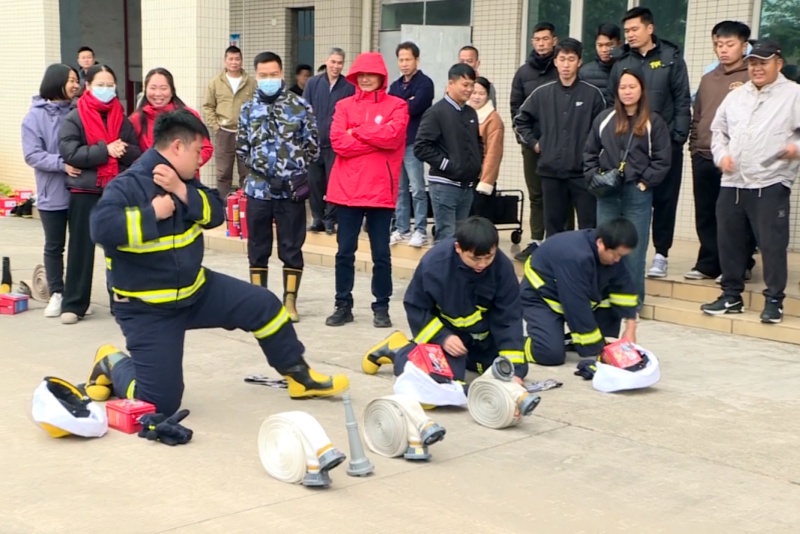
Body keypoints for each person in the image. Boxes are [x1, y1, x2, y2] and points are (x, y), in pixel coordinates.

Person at [85, 110, 349, 418]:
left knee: (263, 304)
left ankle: (298, 376)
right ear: (178, 147)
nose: (200, 159)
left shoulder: (183, 180)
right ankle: (111, 362)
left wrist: (182, 192)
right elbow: (100, 229)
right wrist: (152, 214)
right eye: (198, 151)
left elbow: (215, 212)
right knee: (159, 404)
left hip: (195, 292)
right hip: (147, 309)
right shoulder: (128, 185)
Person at [703, 39, 800, 324]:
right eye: (753, 63)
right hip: (733, 181)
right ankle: (731, 295)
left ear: (778, 64)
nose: (757, 68)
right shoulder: (736, 95)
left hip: (771, 180)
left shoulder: (793, 94)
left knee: (772, 243)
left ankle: (774, 300)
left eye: (763, 62)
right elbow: (717, 131)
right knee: (729, 241)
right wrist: (721, 156)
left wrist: (797, 147)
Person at [362, 217, 527, 385]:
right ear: (458, 248)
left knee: (509, 369)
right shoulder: (435, 265)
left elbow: (509, 319)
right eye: (475, 259)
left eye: (489, 257)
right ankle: (398, 350)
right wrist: (443, 338)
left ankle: (445, 356)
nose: (482, 264)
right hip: (446, 335)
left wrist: (513, 371)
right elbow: (416, 307)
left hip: (480, 340)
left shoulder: (502, 268)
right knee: (441, 376)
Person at [324, 52, 409, 328]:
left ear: (382, 77)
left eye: (371, 74)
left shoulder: (397, 105)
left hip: (380, 190)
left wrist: (356, 132)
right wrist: (374, 135)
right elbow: (338, 142)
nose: (366, 78)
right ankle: (342, 303)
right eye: (361, 74)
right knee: (344, 251)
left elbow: (393, 136)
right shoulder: (344, 105)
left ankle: (381, 306)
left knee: (381, 253)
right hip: (347, 189)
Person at [606, 7, 691, 279]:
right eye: (627, 31)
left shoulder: (670, 58)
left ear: (649, 29)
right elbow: (613, 102)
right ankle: (627, 256)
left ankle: (661, 254)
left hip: (664, 144)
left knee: (665, 199)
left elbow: (681, 99)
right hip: (630, 145)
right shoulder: (621, 62)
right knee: (633, 200)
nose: (629, 35)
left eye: (634, 29)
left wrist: (678, 137)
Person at [237, 52, 318, 322]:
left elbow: (313, 147)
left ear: (282, 74)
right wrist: (261, 170)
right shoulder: (248, 109)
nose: (268, 79)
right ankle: (260, 303)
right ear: (256, 76)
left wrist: (292, 170)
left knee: (291, 247)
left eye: (273, 74)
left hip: (289, 191)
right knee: (258, 246)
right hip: (259, 190)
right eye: (263, 75)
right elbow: (242, 148)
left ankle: (290, 302)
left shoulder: (299, 106)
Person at [58, 64, 141, 325]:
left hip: (115, 192)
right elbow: (70, 153)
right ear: (88, 86)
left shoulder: (121, 117)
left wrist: (119, 150)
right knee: (81, 248)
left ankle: (121, 300)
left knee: (118, 248)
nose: (106, 90)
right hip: (85, 191)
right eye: (100, 85)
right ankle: (74, 303)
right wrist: (106, 149)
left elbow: (136, 152)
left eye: (110, 85)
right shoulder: (75, 116)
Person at [585, 67, 671, 306]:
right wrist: (594, 177)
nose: (627, 91)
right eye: (623, 87)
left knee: (634, 249)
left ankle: (632, 302)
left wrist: (645, 182)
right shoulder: (604, 119)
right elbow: (589, 153)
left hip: (637, 192)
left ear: (642, 89)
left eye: (632, 86)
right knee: (605, 245)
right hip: (608, 192)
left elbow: (663, 159)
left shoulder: (654, 121)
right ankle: (603, 298)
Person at [686, 21, 756, 282]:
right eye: (718, 45)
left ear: (743, 45)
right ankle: (708, 263)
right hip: (704, 155)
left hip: (735, 160)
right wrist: (694, 149)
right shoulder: (708, 78)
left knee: (737, 216)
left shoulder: (751, 75)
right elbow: (698, 117)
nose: (723, 50)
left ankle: (740, 264)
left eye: (729, 44)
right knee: (706, 213)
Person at [513, 38, 605, 237]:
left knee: (589, 227)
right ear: (555, 61)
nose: (566, 64)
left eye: (571, 59)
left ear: (579, 62)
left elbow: (604, 131)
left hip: (583, 173)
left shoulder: (593, 95)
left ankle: (587, 265)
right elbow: (520, 120)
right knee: (554, 228)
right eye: (562, 59)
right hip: (550, 172)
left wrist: (592, 157)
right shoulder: (542, 93)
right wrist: (534, 144)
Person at [520, 218, 639, 366]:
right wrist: (600, 352)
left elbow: (624, 288)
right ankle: (518, 344)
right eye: (616, 255)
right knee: (550, 355)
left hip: (570, 297)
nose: (617, 260)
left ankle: (568, 340)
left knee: (605, 324)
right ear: (601, 243)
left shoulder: (611, 250)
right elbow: (576, 307)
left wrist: (630, 328)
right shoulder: (575, 256)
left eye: (622, 256)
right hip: (540, 299)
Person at [21, 64, 81, 318]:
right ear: (56, 82)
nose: (76, 84)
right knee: (55, 246)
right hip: (52, 193)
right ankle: (57, 292)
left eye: (77, 80)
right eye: (70, 80)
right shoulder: (34, 117)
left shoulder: (79, 110)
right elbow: (32, 154)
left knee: (80, 246)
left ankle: (78, 295)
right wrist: (61, 164)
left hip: (80, 191)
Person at [414, 63, 482, 243]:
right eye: (465, 85)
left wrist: (477, 164)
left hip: (466, 185)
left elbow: (477, 142)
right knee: (446, 235)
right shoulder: (436, 112)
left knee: (461, 237)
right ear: (451, 84)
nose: (469, 90)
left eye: (472, 85)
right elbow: (421, 147)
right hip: (444, 185)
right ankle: (439, 270)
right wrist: (447, 165)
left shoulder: (470, 113)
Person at [510, 22, 560, 262]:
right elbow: (515, 110)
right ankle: (537, 240)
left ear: (554, 40)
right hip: (532, 144)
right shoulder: (523, 73)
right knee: (536, 194)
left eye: (545, 38)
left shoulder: (561, 68)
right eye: (537, 39)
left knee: (561, 194)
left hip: (560, 146)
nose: (541, 43)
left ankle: (559, 241)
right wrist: (528, 141)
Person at [304, 48, 356, 235]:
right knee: (314, 182)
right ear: (326, 61)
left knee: (334, 183)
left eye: (339, 63)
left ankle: (330, 219)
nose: (335, 66)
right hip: (314, 143)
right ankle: (317, 218)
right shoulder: (312, 83)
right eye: (333, 62)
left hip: (336, 144)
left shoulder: (349, 86)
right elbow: (305, 111)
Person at [388, 41, 434, 248]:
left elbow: (415, 108)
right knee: (399, 189)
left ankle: (421, 229)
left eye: (408, 59)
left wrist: (402, 104)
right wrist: (405, 102)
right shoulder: (395, 85)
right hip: (396, 142)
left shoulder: (425, 83)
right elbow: (390, 110)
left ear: (417, 60)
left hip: (414, 142)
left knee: (417, 188)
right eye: (401, 59)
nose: (404, 64)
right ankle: (401, 228)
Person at [202, 45, 257, 199]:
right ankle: (224, 207)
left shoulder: (251, 82)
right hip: (224, 132)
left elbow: (257, 106)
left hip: (245, 133)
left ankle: (246, 203)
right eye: (231, 59)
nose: (234, 62)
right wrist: (216, 126)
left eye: (237, 59)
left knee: (246, 171)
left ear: (242, 61)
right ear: (225, 61)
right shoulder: (216, 82)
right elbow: (208, 106)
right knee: (223, 172)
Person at [130, 68, 214, 167]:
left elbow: (206, 148)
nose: (158, 93)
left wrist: (184, 167)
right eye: (153, 88)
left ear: (172, 90)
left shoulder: (188, 115)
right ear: (145, 90)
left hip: (185, 178)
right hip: (150, 177)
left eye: (163, 88)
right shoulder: (136, 118)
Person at [467, 77, 504, 218]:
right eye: (474, 92)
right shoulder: (463, 113)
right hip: (464, 178)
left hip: (480, 180)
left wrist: (485, 182)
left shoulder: (493, 119)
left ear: (488, 95)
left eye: (481, 93)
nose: (476, 97)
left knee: (478, 223)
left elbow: (493, 154)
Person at [579, 23, 621, 95]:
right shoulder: (584, 73)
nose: (604, 50)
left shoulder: (627, 69)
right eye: (600, 45)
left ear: (619, 44)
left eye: (609, 45)